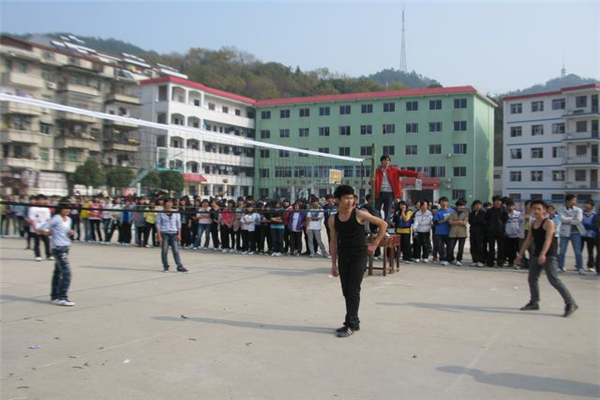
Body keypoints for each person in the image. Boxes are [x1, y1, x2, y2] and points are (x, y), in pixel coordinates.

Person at [329, 185, 387, 338]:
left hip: (359, 255)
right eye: (346, 198)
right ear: (338, 200)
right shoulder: (333, 219)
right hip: (344, 255)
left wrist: (374, 244)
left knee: (353, 290)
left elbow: (383, 224)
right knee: (346, 291)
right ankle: (354, 321)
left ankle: (350, 324)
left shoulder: (359, 214)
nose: (350, 201)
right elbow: (333, 242)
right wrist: (333, 264)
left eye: (352, 198)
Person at [516, 200, 578, 318]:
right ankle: (534, 302)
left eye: (539, 209)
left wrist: (543, 254)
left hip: (549, 255)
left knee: (554, 280)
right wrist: (520, 254)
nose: (536, 211)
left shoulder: (548, 222)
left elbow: (548, 239)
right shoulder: (533, 223)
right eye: (534, 208)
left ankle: (571, 303)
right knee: (532, 278)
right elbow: (528, 239)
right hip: (537, 254)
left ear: (544, 210)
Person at [42, 198, 76, 306]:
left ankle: (54, 296)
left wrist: (70, 232)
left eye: (69, 208)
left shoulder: (69, 219)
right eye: (66, 208)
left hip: (66, 247)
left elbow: (64, 231)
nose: (68, 210)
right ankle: (62, 297)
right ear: (60, 208)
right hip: (58, 248)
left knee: (57, 272)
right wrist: (48, 232)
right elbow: (45, 227)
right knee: (67, 273)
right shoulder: (56, 218)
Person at [374, 155, 421, 224]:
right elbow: (372, 181)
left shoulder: (393, 170)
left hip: (389, 193)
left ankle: (385, 226)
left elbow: (405, 172)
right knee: (376, 211)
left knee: (387, 211)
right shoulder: (376, 171)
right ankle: (378, 224)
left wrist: (416, 174)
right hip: (379, 193)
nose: (386, 162)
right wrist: (371, 182)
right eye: (385, 160)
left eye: (388, 161)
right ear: (381, 162)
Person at [156, 198, 188, 273]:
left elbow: (178, 223)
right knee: (164, 250)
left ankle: (179, 266)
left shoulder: (176, 212)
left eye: (170, 202)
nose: (169, 204)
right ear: (164, 203)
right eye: (168, 202)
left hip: (174, 233)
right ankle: (165, 266)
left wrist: (179, 234)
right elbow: (158, 224)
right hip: (164, 233)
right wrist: (159, 235)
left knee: (176, 250)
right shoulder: (161, 213)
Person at [557, 194, 585, 274]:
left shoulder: (578, 210)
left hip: (576, 232)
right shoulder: (561, 209)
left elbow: (578, 220)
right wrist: (572, 219)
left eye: (575, 200)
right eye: (573, 200)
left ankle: (580, 267)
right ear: (568, 201)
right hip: (564, 232)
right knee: (562, 251)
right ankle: (560, 266)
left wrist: (568, 220)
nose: (575, 201)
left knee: (578, 251)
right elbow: (562, 219)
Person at [485, 195, 509, 268]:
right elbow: (486, 219)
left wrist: (502, 225)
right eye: (497, 201)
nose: (498, 202)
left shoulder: (504, 210)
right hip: (491, 231)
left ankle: (500, 262)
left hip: (501, 231)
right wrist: (489, 226)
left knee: (500, 248)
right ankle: (490, 262)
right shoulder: (490, 210)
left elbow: (506, 219)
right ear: (494, 202)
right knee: (491, 247)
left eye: (499, 201)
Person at [28, 194, 52, 262]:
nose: (41, 201)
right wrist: (35, 229)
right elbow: (31, 219)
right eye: (40, 200)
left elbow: (48, 219)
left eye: (43, 200)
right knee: (37, 243)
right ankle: (38, 255)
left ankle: (48, 255)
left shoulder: (47, 209)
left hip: (44, 228)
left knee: (47, 241)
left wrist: (47, 229)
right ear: (37, 201)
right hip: (36, 228)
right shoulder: (32, 208)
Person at [433, 197, 454, 266]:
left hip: (449, 232)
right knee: (441, 247)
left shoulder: (452, 211)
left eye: (445, 201)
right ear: (440, 203)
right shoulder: (438, 212)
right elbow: (437, 222)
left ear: (447, 202)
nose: (444, 203)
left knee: (450, 246)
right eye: (442, 201)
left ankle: (450, 259)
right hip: (439, 232)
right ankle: (442, 259)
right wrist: (446, 220)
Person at [504, 200, 525, 269]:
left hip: (517, 235)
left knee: (519, 249)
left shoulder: (519, 214)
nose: (510, 207)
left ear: (514, 206)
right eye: (508, 206)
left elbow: (522, 223)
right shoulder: (505, 214)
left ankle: (522, 262)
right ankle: (511, 262)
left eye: (512, 206)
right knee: (510, 250)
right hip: (508, 235)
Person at [448, 199, 469, 266]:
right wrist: (459, 222)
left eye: (462, 205)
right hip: (453, 232)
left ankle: (459, 260)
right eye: (459, 205)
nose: (461, 207)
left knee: (460, 248)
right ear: (457, 206)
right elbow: (450, 222)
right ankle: (450, 259)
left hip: (462, 233)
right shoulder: (452, 212)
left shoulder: (466, 213)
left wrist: (455, 222)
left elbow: (465, 222)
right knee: (451, 247)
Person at [468, 200, 486, 267]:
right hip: (473, 232)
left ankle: (481, 261)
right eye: (476, 205)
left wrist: (475, 221)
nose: (477, 206)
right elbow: (470, 221)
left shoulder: (483, 213)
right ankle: (474, 260)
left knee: (480, 247)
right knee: (473, 246)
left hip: (481, 232)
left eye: (479, 205)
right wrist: (476, 221)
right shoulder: (472, 213)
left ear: (481, 206)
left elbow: (481, 221)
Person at [581, 200, 597, 272]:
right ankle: (579, 265)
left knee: (590, 251)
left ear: (592, 206)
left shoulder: (594, 215)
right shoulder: (581, 214)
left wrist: (587, 226)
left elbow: (595, 225)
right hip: (582, 234)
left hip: (591, 235)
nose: (586, 205)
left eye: (588, 204)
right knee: (579, 250)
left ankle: (590, 265)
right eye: (586, 204)